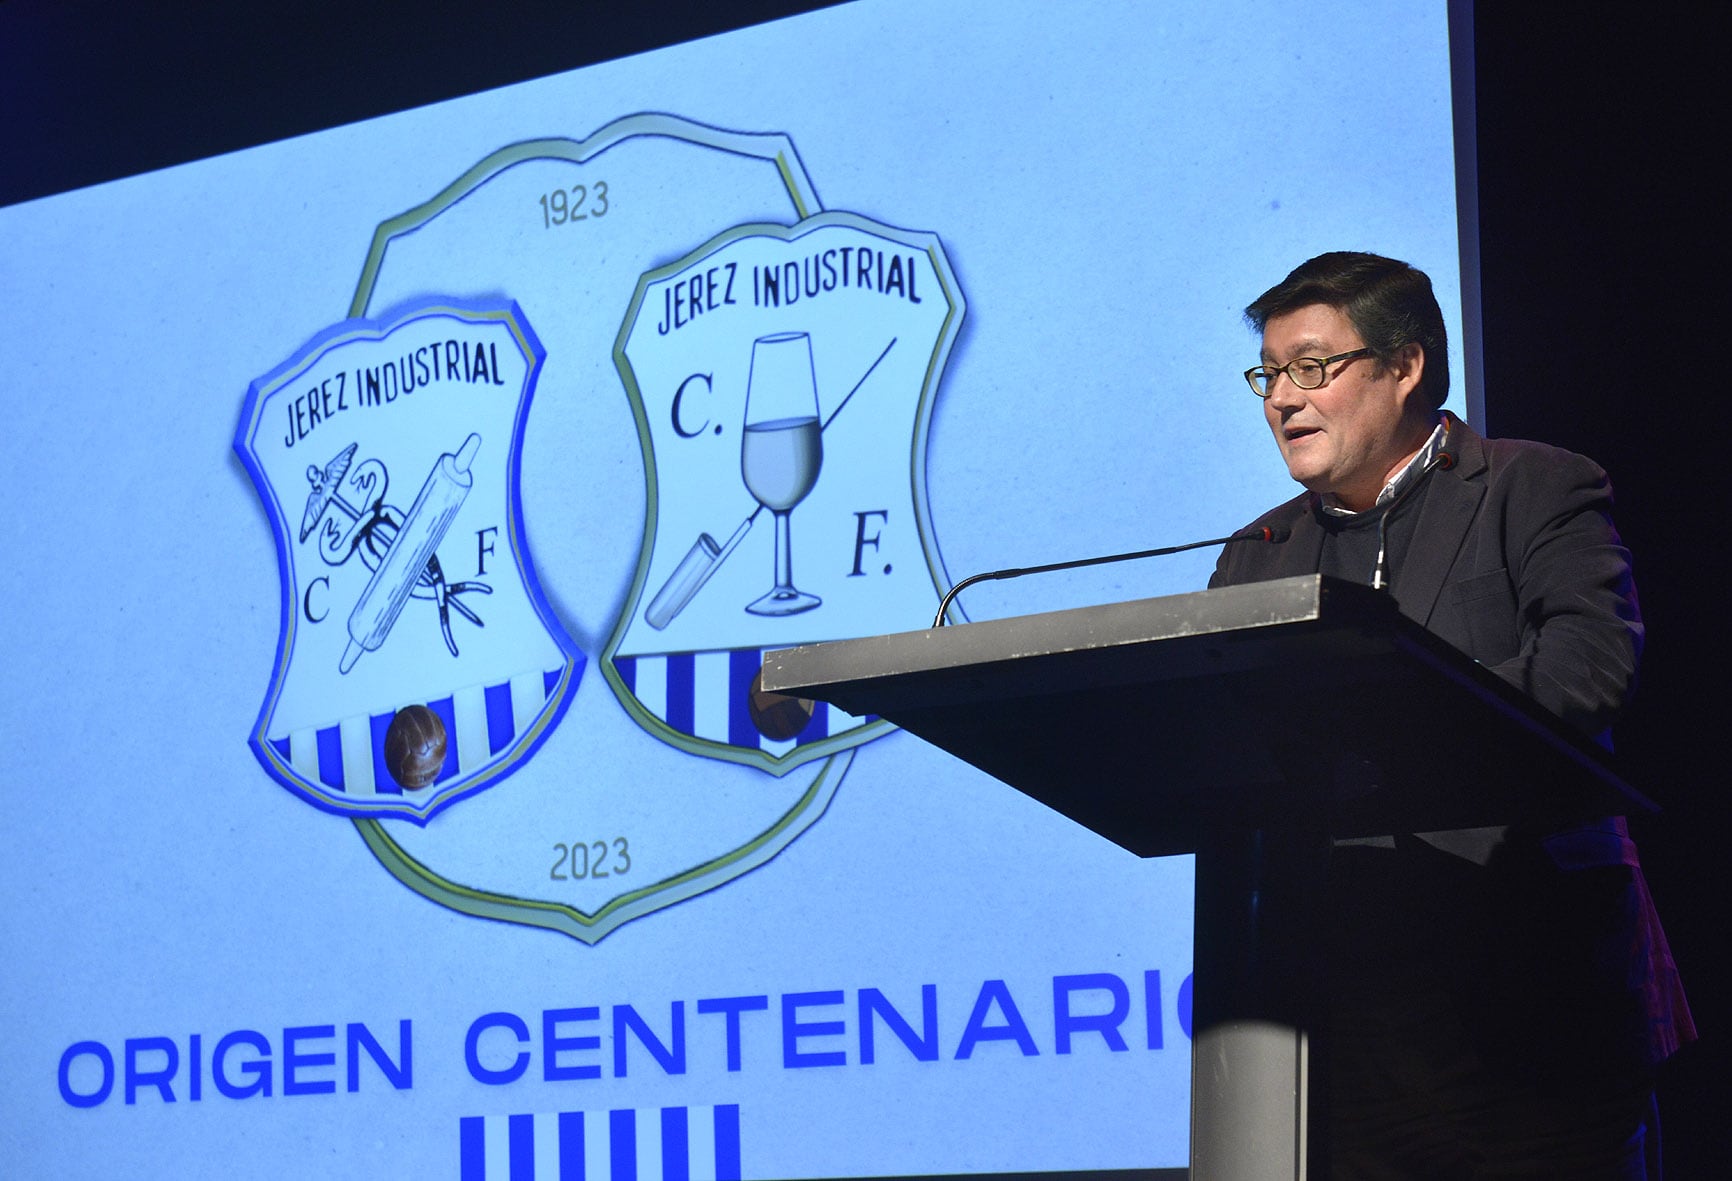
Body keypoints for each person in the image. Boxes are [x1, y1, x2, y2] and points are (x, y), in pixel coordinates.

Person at [1211, 251, 1693, 1178]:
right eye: (1269, 374)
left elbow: (1588, 669)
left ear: (1405, 366)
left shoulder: (1533, 486)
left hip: (1537, 1011)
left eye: (1312, 368)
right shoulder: (1256, 557)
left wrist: (1389, 733)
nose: (1281, 398)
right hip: (1347, 1040)